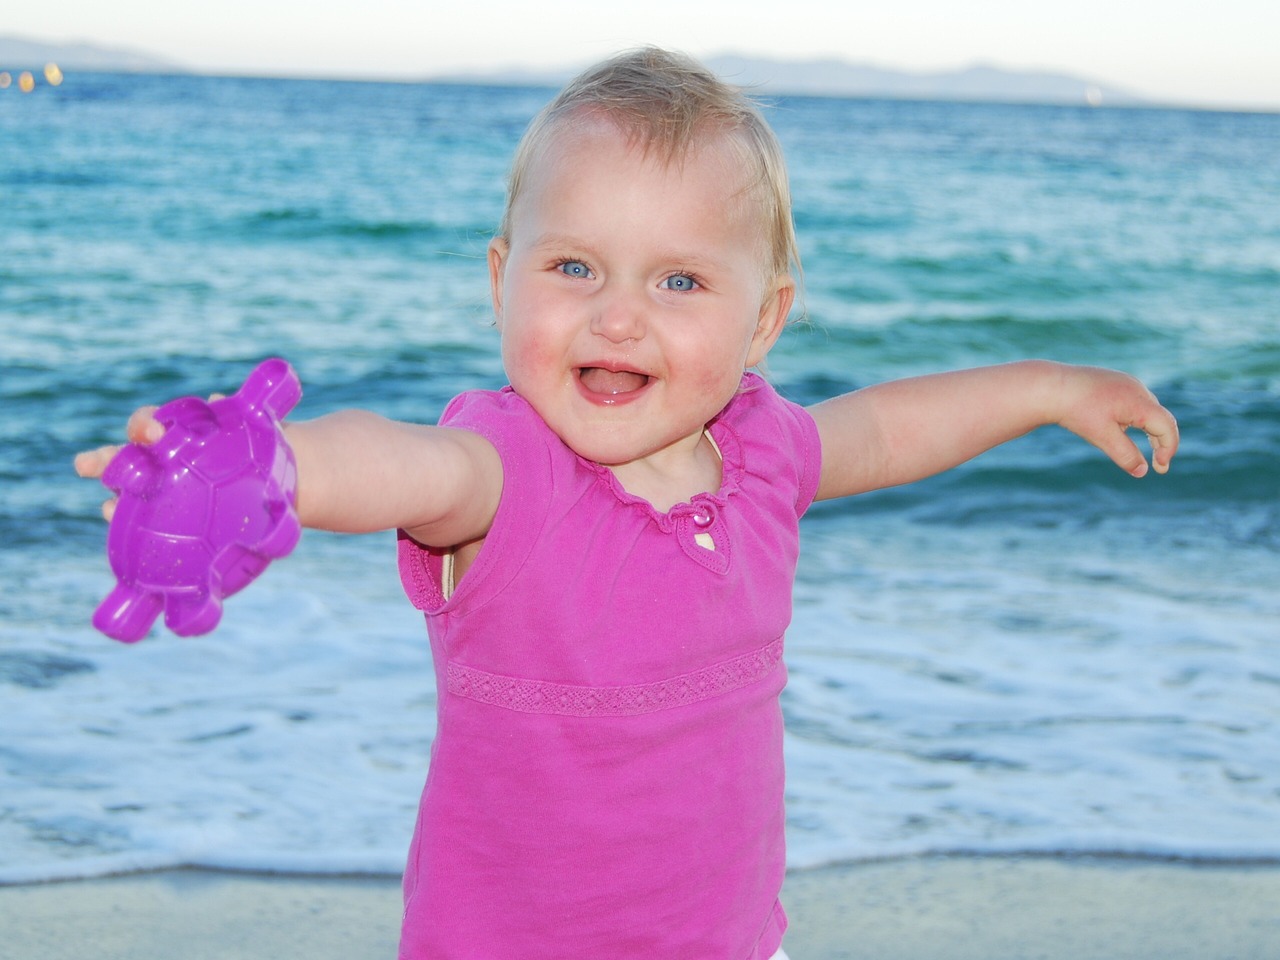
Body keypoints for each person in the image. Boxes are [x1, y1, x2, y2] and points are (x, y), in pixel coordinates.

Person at [75, 46, 1179, 960]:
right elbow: (404, 465)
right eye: (572, 269)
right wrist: (280, 465)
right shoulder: (509, 470)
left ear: (762, 324)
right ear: (499, 278)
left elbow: (886, 430)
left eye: (679, 281)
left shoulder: (762, 458)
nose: (616, 317)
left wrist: (1045, 388)